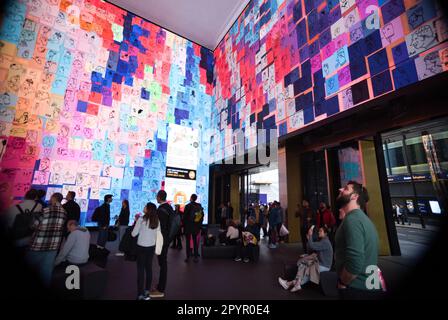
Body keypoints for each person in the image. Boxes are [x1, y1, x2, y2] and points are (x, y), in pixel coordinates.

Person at [334, 181, 384, 299]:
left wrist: (343, 282)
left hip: (357, 289)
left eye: (346, 189)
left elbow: (355, 261)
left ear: (354, 196)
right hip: (366, 287)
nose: (341, 190)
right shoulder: (361, 218)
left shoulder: (353, 220)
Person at [26, 193, 67, 287]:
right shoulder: (64, 212)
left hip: (38, 244)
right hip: (53, 246)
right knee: (46, 271)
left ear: (53, 198)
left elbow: (33, 225)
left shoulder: (45, 210)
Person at [278, 226, 333, 292]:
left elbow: (312, 245)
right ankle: (295, 284)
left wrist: (310, 236)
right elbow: (311, 248)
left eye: (321, 231)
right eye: (319, 231)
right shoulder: (323, 241)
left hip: (324, 266)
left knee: (308, 269)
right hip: (320, 263)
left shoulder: (325, 242)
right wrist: (307, 253)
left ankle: (289, 283)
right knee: (303, 264)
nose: (318, 232)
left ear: (325, 233)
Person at [132, 202, 160, 301]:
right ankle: (147, 291)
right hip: (151, 247)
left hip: (141, 247)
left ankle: (140, 294)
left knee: (140, 270)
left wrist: (136, 223)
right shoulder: (156, 220)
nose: (144, 207)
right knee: (149, 269)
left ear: (148, 209)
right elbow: (158, 235)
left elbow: (133, 234)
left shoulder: (141, 219)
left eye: (145, 206)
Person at [151, 190, 174, 298]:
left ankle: (161, 289)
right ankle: (161, 286)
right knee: (162, 262)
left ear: (160, 197)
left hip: (161, 239)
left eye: (157, 196)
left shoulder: (160, 210)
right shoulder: (170, 208)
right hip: (167, 239)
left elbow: (158, 226)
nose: (156, 198)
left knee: (162, 262)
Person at [5, 189, 42, 255]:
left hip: (16, 239)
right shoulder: (39, 206)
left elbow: (7, 224)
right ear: (36, 197)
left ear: (25, 196)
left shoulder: (13, 208)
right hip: (30, 238)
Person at [183, 194, 203, 263]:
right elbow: (201, 216)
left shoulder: (187, 206)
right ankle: (196, 257)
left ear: (191, 198)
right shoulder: (199, 206)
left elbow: (184, 217)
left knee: (188, 242)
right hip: (196, 227)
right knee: (195, 242)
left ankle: (188, 257)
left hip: (188, 227)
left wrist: (184, 226)